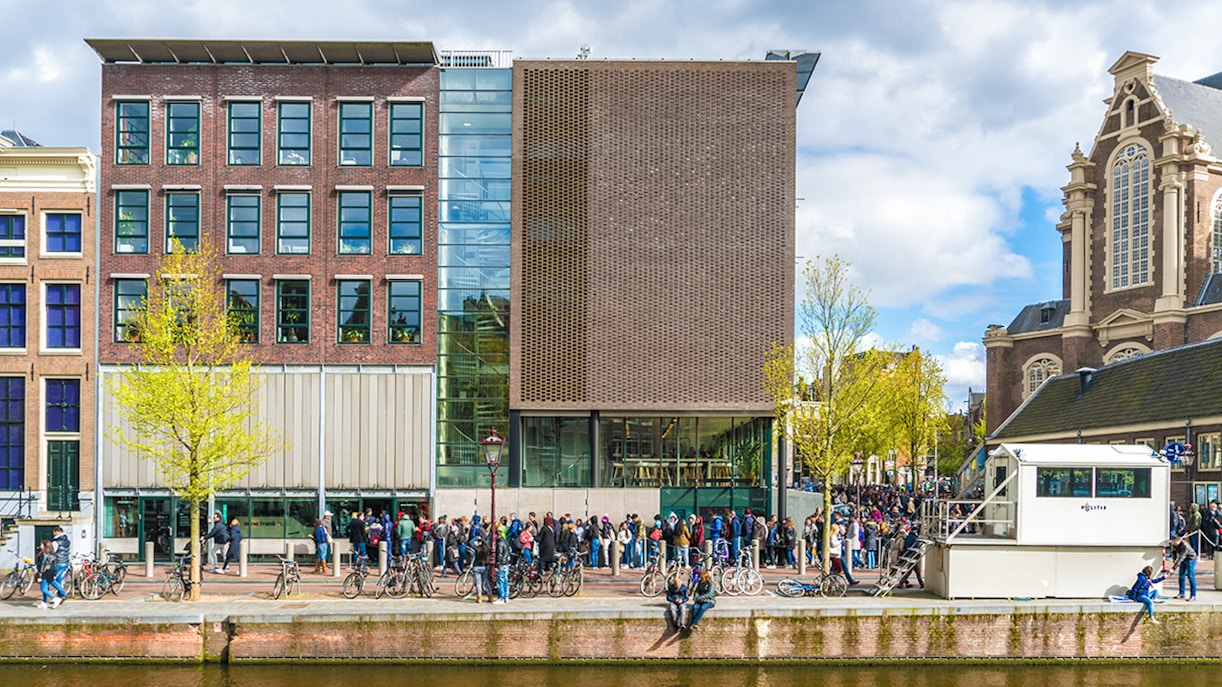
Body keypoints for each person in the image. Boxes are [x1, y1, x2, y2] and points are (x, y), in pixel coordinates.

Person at [1169, 534, 1197, 601]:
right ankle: (1182, 593)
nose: (1173, 543)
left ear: (1178, 540)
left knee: (1190, 576)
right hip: (1184, 559)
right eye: (1172, 542)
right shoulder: (1174, 544)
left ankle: (1193, 595)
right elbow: (1173, 551)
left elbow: (1181, 557)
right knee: (1181, 576)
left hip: (1191, 559)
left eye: (1174, 542)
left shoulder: (1185, 546)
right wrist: (1174, 558)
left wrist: (1174, 568)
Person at [50, 526, 70, 606]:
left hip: (58, 562)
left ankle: (63, 593)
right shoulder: (67, 541)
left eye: (53, 532)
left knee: (51, 579)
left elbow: (52, 553)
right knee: (60, 580)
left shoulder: (55, 542)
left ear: (56, 532)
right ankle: (59, 597)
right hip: (65, 562)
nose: (53, 534)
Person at [36, 540, 58, 610]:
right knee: (45, 588)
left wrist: (39, 576)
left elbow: (42, 565)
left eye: (41, 545)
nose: (40, 546)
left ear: (45, 546)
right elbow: (54, 565)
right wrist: (54, 573)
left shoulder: (44, 554)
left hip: (44, 573)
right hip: (50, 572)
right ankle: (44, 603)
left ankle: (55, 598)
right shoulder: (52, 554)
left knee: (43, 589)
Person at [494, 529, 512, 604]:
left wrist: (497, 564)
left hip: (501, 563)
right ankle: (506, 597)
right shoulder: (506, 542)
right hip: (506, 563)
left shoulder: (499, 543)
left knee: (500, 581)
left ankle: (501, 597)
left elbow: (499, 555)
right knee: (505, 580)